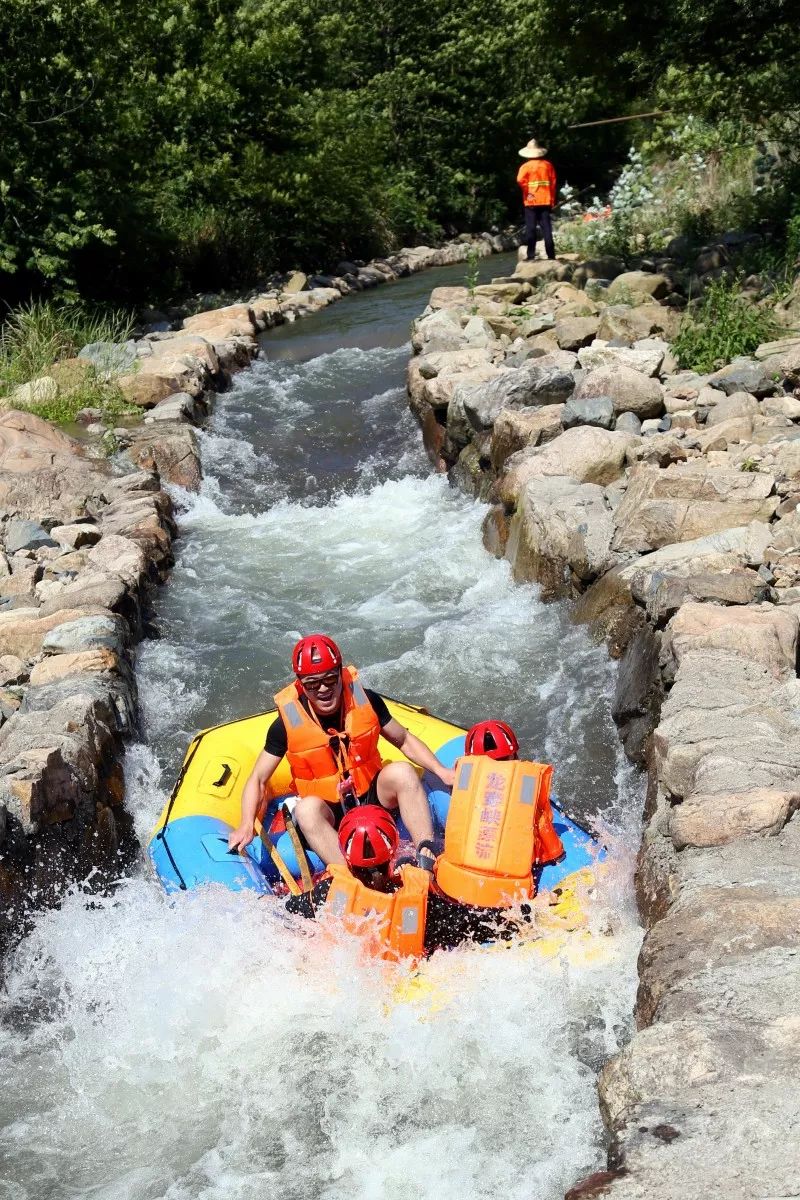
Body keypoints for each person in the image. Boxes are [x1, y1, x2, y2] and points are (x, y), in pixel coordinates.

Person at [227, 634, 455, 869]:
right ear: (300, 684)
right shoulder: (285, 724)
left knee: (402, 772)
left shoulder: (366, 700)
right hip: (329, 812)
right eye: (313, 684)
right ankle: (353, 877)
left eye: (329, 679)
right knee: (306, 810)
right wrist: (246, 823)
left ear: (339, 673)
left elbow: (404, 739)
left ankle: (426, 854)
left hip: (369, 796)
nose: (323, 689)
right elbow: (259, 778)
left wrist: (442, 771)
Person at [464, 719, 564, 866]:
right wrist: (554, 854)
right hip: (519, 869)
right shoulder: (528, 782)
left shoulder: (463, 784)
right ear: (515, 756)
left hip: (469, 869)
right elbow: (540, 823)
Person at [517, 138, 557, 262]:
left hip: (531, 201)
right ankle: (551, 255)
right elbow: (553, 183)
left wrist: (527, 192)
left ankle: (531, 255)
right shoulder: (548, 165)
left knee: (531, 228)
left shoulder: (525, 166)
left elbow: (520, 180)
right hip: (545, 200)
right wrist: (552, 200)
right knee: (547, 229)